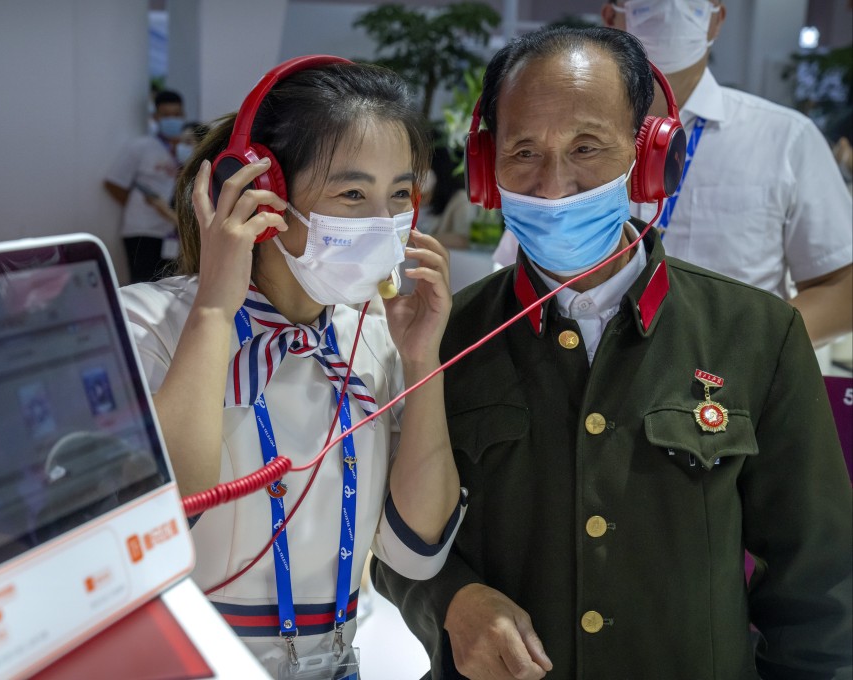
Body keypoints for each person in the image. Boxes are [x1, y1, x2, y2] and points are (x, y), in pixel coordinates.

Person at [373, 27, 852, 680]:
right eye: (523, 152)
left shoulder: (757, 335)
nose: (554, 184)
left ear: (647, 155)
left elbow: (819, 583)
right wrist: (449, 601)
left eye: (587, 147)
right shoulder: (439, 339)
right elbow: (389, 538)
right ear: (487, 171)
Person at [120, 57, 465, 676]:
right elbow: (163, 521)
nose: (382, 222)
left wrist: (422, 362)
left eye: (399, 195)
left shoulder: (374, 336)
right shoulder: (147, 325)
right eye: (352, 193)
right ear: (261, 192)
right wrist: (213, 314)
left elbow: (417, 553)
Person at [492, 0, 853, 350]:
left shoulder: (785, 138)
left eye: (586, 148)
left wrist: (747, 355)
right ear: (610, 15)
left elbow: (843, 286)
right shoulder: (549, 149)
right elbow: (513, 273)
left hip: (722, 396)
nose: (669, 8)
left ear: (716, 18)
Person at [104, 89, 186, 283]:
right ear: (155, 117)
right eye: (166, 115)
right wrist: (139, 207)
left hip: (172, 232)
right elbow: (113, 183)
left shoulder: (186, 149)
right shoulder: (140, 147)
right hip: (142, 231)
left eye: (176, 114)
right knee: (144, 285)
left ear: (183, 116)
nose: (172, 120)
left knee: (170, 286)